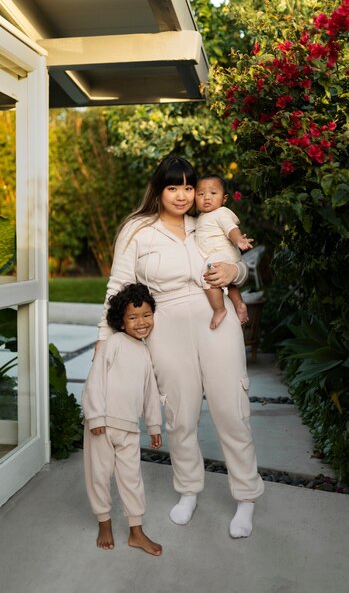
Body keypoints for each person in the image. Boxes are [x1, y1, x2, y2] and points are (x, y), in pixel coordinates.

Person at [97, 155, 264, 539]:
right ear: (159, 189)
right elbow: (117, 287)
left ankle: (246, 496)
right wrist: (105, 343)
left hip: (215, 320)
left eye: (189, 187)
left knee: (231, 411)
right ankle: (189, 490)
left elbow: (237, 265)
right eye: (174, 187)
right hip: (166, 327)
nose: (183, 195)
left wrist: (233, 272)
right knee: (180, 416)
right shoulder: (138, 230)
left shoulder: (207, 222)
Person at [82, 283, 163, 555]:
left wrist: (153, 425)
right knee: (99, 476)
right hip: (102, 425)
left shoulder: (144, 352)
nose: (141, 322)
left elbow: (150, 393)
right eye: (133, 317)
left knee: (132, 478)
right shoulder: (113, 344)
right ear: (120, 320)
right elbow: (95, 381)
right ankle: (104, 523)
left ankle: (136, 531)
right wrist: (94, 417)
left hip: (129, 429)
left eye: (146, 315)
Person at [195, 174, 253, 329]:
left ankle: (219, 309)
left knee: (208, 276)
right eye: (201, 194)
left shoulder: (221, 213)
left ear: (224, 198)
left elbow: (231, 229)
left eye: (213, 193)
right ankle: (239, 304)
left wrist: (239, 240)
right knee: (226, 281)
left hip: (224, 253)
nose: (206, 197)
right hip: (221, 255)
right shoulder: (201, 217)